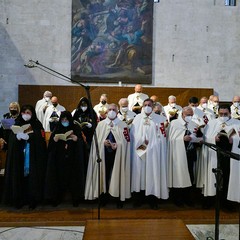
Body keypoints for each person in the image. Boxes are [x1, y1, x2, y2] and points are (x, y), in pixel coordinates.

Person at [85, 103, 131, 208]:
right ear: (106, 112)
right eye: (109, 109)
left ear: (117, 111)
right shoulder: (101, 125)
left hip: (117, 155)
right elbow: (95, 141)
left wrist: (118, 145)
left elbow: (127, 141)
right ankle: (103, 197)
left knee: (118, 174)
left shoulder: (123, 125)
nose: (111, 111)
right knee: (103, 175)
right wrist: (102, 143)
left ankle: (119, 198)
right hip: (104, 154)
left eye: (114, 109)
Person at [3, 105, 47, 209]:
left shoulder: (37, 124)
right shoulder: (17, 123)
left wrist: (30, 136)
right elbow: (11, 140)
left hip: (32, 156)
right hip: (19, 157)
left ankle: (33, 200)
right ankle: (19, 199)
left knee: (32, 179)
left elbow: (41, 140)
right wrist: (17, 137)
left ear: (32, 114)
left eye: (28, 113)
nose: (25, 115)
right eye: (23, 112)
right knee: (19, 177)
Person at [197, 104, 240, 210]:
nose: (223, 116)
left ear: (230, 113)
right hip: (214, 154)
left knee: (228, 178)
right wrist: (213, 138)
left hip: (230, 156)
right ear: (218, 113)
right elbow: (205, 138)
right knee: (213, 178)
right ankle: (210, 200)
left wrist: (234, 140)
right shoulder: (212, 123)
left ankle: (227, 202)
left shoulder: (237, 123)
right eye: (221, 114)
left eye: (225, 114)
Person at [130, 99, 169, 209]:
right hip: (140, 151)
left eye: (149, 105)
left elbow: (162, 137)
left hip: (153, 152)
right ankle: (139, 199)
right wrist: (142, 142)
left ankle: (152, 199)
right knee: (140, 174)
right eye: (145, 105)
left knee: (152, 174)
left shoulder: (159, 119)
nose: (147, 107)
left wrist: (152, 144)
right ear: (142, 106)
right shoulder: (137, 118)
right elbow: (133, 135)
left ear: (153, 106)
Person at [45, 111, 86, 207]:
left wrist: (76, 139)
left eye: (66, 119)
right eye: (63, 119)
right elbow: (50, 146)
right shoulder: (57, 128)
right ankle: (57, 198)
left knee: (74, 180)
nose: (64, 121)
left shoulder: (75, 128)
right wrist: (55, 140)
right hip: (60, 160)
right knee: (59, 180)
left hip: (73, 160)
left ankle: (76, 198)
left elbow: (82, 145)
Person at [167, 106, 203, 207]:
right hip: (177, 154)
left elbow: (199, 136)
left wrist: (199, 141)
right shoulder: (174, 123)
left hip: (190, 154)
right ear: (182, 114)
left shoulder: (194, 124)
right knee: (178, 175)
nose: (190, 117)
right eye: (188, 115)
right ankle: (177, 198)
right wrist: (182, 138)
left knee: (190, 176)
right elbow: (170, 139)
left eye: (191, 115)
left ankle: (187, 198)